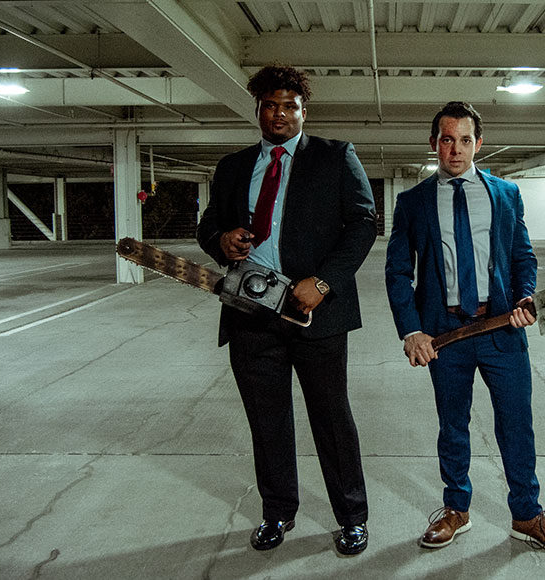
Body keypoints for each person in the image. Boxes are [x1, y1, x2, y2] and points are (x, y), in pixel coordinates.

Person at [196, 64, 376, 555]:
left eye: (290, 105)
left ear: (304, 110)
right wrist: (221, 240)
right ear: (257, 109)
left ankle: (352, 517)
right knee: (267, 421)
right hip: (251, 315)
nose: (280, 113)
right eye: (271, 105)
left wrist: (322, 282)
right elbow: (208, 222)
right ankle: (278, 513)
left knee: (332, 420)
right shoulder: (233, 166)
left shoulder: (335, 157)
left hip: (314, 314)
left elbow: (364, 224)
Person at [384, 101, 545, 553]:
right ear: (434, 143)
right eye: (447, 140)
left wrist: (526, 294)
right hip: (445, 336)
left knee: (517, 424)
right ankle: (456, 510)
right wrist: (412, 330)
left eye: (465, 140)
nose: (456, 149)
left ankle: (527, 516)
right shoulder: (412, 203)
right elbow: (398, 272)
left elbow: (522, 256)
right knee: (453, 425)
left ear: (479, 143)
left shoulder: (506, 194)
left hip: (501, 332)